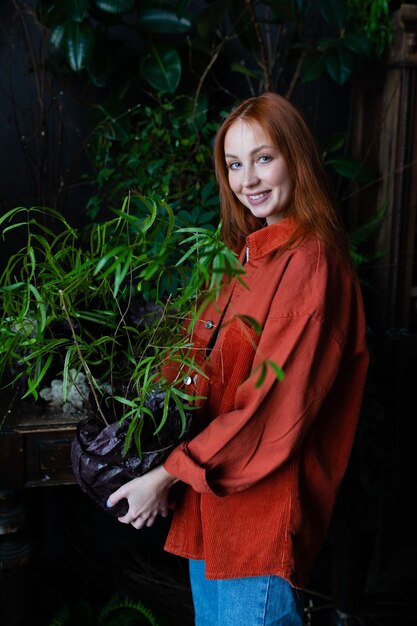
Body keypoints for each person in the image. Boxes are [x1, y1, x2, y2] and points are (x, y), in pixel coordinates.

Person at [107, 92, 369, 625]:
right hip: (209, 512)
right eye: (233, 164)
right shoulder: (237, 261)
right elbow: (188, 369)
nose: (247, 179)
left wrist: (166, 476)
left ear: (297, 158)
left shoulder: (310, 264)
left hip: (259, 519)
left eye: (263, 158)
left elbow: (272, 409)